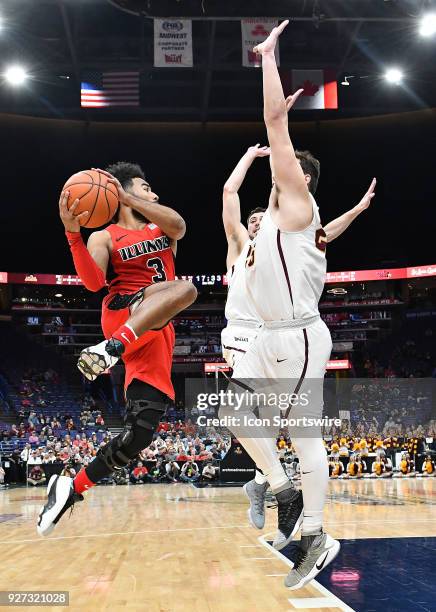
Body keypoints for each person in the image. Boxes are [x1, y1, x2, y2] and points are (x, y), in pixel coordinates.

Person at [219, 20, 377, 590]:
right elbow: (245, 190)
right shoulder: (266, 228)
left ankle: (316, 531)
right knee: (231, 413)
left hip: (298, 335)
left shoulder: (297, 209)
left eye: (283, 169)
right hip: (263, 336)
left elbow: (272, 126)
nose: (277, 170)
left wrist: (267, 58)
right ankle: (279, 487)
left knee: (304, 432)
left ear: (298, 181)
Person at [221, 139, 375, 540]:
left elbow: (321, 232)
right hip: (244, 336)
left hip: (278, 333)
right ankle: (273, 482)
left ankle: (269, 485)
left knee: (276, 424)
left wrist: (356, 212)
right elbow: (229, 194)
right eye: (252, 220)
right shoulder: (242, 246)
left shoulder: (284, 236)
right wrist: (253, 156)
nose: (256, 222)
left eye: (260, 218)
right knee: (244, 416)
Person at [37, 162, 197, 536]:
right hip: (123, 313)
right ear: (123, 190)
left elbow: (180, 226)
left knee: (140, 434)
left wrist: (129, 196)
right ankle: (110, 349)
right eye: (146, 187)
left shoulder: (162, 228)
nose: (153, 193)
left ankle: (70, 488)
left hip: (156, 330)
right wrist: (73, 233)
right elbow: (94, 284)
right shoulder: (105, 236)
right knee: (185, 289)